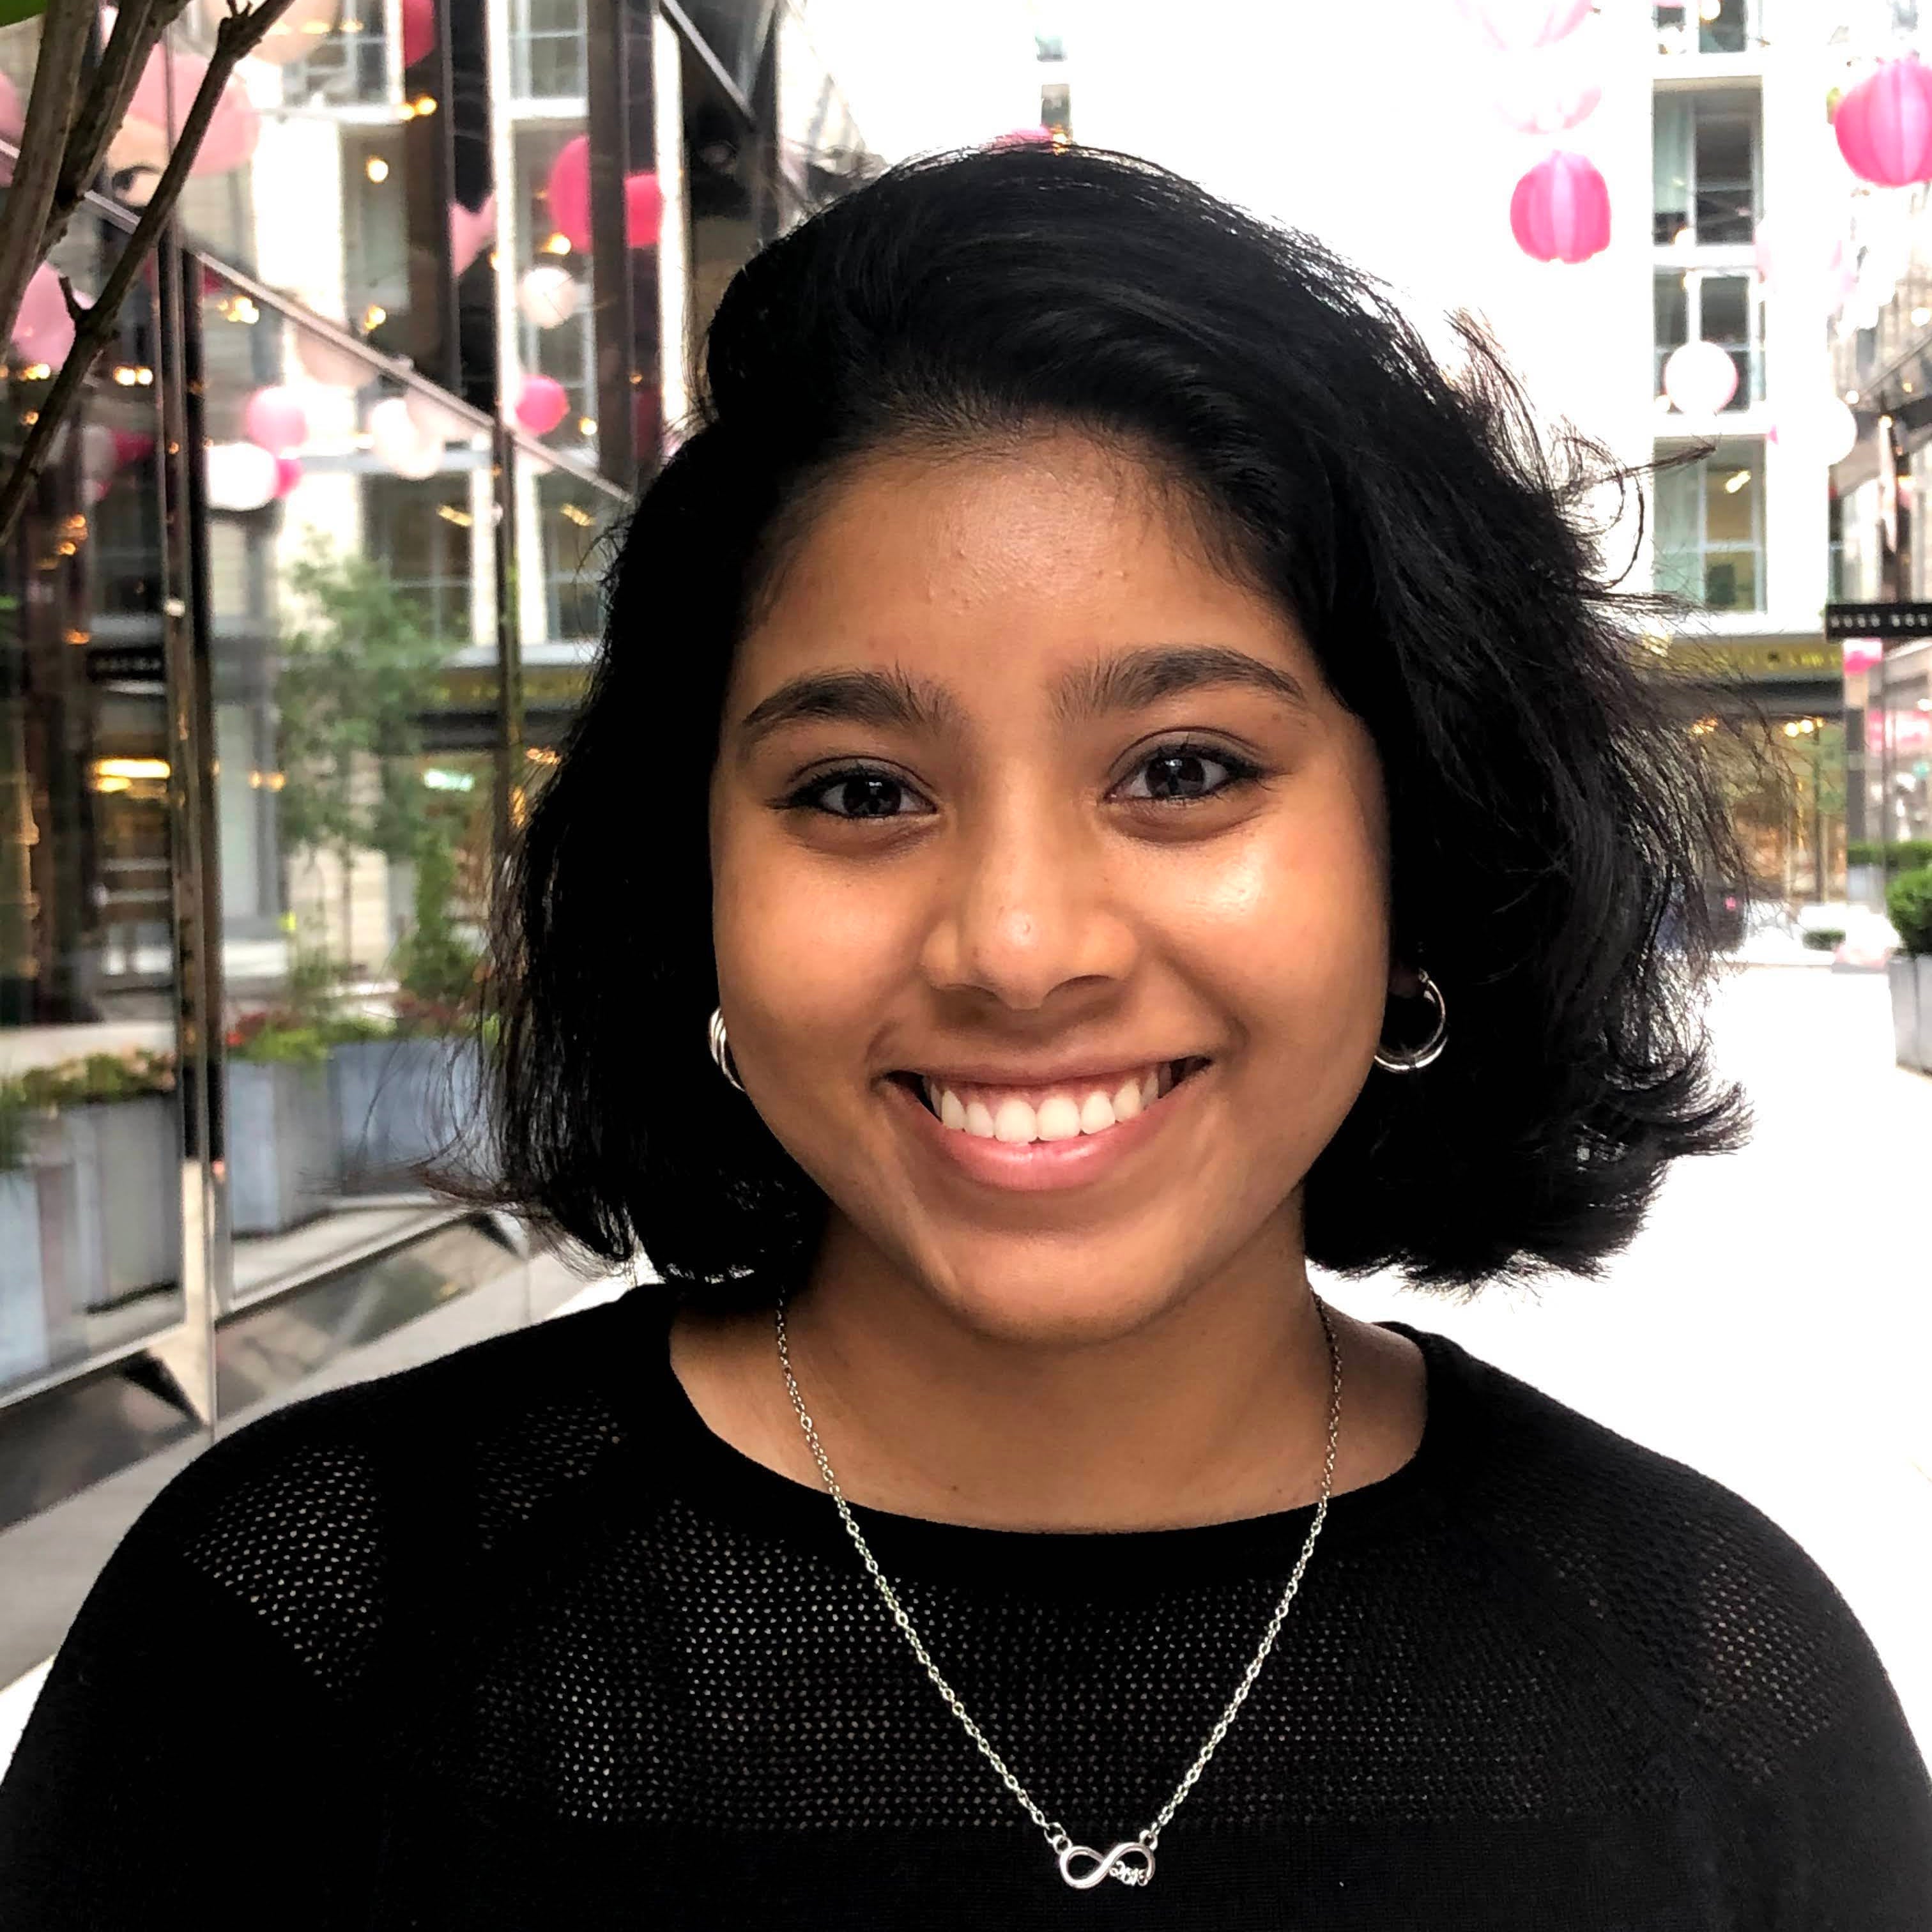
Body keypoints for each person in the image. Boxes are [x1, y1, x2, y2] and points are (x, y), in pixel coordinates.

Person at [2, 144, 1927, 1929]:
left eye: (1184, 770)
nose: (1017, 949)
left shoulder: (1708, 1689)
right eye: (859, 791)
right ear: (697, 881)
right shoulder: (304, 1643)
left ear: (1417, 847)